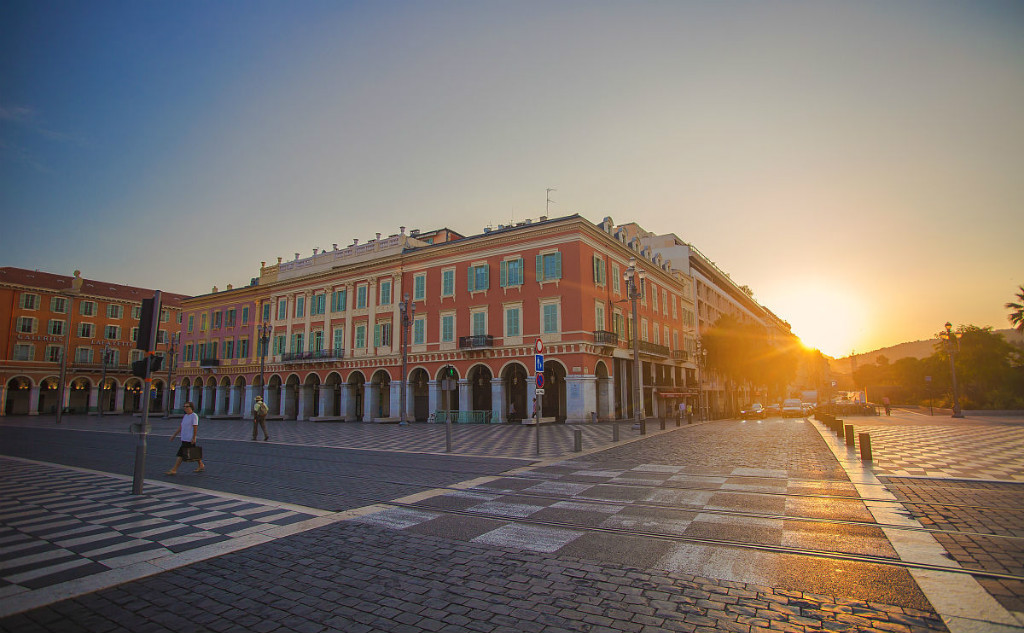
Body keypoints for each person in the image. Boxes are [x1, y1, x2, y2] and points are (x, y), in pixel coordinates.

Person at [165, 402, 205, 474]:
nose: (185, 408)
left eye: (187, 406)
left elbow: (195, 427)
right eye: (184, 406)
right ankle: (201, 465)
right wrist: (174, 435)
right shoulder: (185, 416)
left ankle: (174, 469)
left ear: (191, 407)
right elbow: (181, 427)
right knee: (194, 452)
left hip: (189, 438)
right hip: (184, 437)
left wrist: (194, 437)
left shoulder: (194, 416)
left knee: (180, 454)